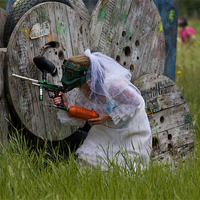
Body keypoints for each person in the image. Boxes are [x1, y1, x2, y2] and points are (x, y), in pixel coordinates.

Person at [53, 49, 152, 170]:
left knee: (127, 166)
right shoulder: (82, 89)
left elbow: (136, 101)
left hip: (131, 125)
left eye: (71, 74)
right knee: (87, 157)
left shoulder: (111, 84)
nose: (69, 77)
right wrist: (67, 106)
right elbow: (81, 117)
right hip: (106, 126)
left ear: (86, 74)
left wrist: (108, 116)